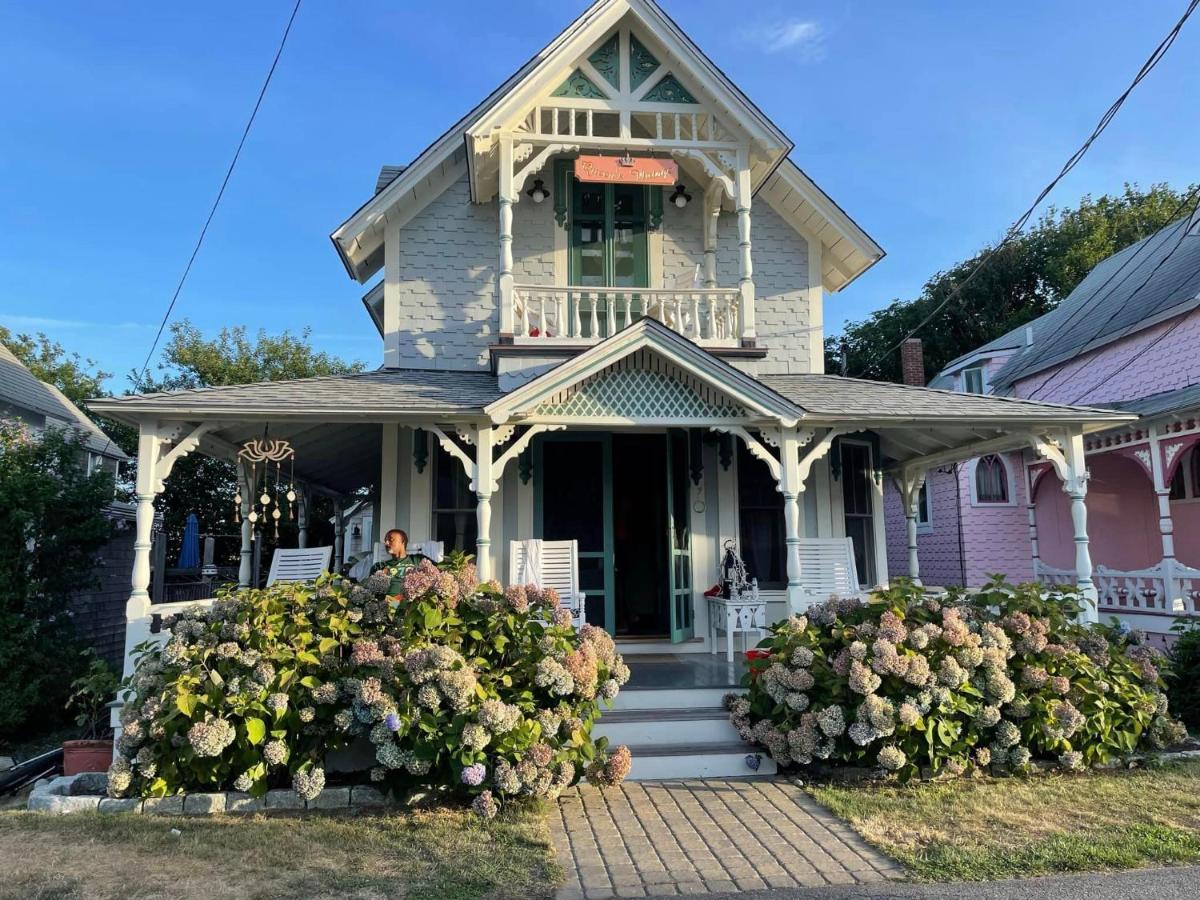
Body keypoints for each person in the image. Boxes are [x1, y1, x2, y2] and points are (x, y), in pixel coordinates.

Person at [370, 529, 428, 596]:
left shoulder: (418, 559)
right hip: (390, 604)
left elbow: (437, 575)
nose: (386, 543)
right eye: (385, 541)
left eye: (391, 540)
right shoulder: (379, 566)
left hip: (413, 602)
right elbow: (372, 591)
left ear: (402, 542)